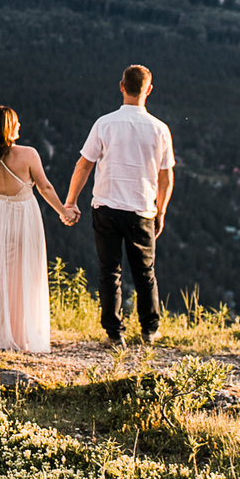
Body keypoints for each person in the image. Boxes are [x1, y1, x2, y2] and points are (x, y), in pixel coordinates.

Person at [64, 64, 175, 346]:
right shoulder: (160, 129)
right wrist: (161, 210)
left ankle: (115, 333)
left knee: (109, 271)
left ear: (122, 86)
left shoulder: (104, 123)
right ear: (149, 90)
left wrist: (71, 201)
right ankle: (149, 329)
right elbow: (166, 176)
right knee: (145, 272)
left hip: (106, 207)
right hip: (142, 210)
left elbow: (84, 164)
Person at [0, 105, 74, 355]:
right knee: (24, 275)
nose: (20, 126)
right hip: (24, 216)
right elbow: (45, 188)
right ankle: (19, 336)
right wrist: (64, 211)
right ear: (7, 127)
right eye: (16, 122)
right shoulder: (28, 154)